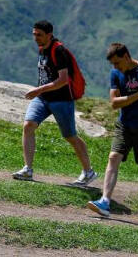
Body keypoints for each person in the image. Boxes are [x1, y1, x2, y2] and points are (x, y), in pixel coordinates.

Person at [87, 42, 138, 224]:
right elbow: (114, 102)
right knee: (113, 157)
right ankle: (105, 202)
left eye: (117, 63)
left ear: (126, 56)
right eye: (112, 65)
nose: (115, 67)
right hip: (125, 125)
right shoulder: (116, 73)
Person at [12, 20, 97, 186]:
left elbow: (63, 80)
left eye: (39, 35)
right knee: (28, 125)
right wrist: (41, 92)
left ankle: (88, 172)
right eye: (34, 34)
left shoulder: (59, 51)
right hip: (44, 98)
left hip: (61, 100)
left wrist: (38, 90)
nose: (36, 38)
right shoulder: (42, 48)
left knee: (70, 136)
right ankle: (27, 170)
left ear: (49, 35)